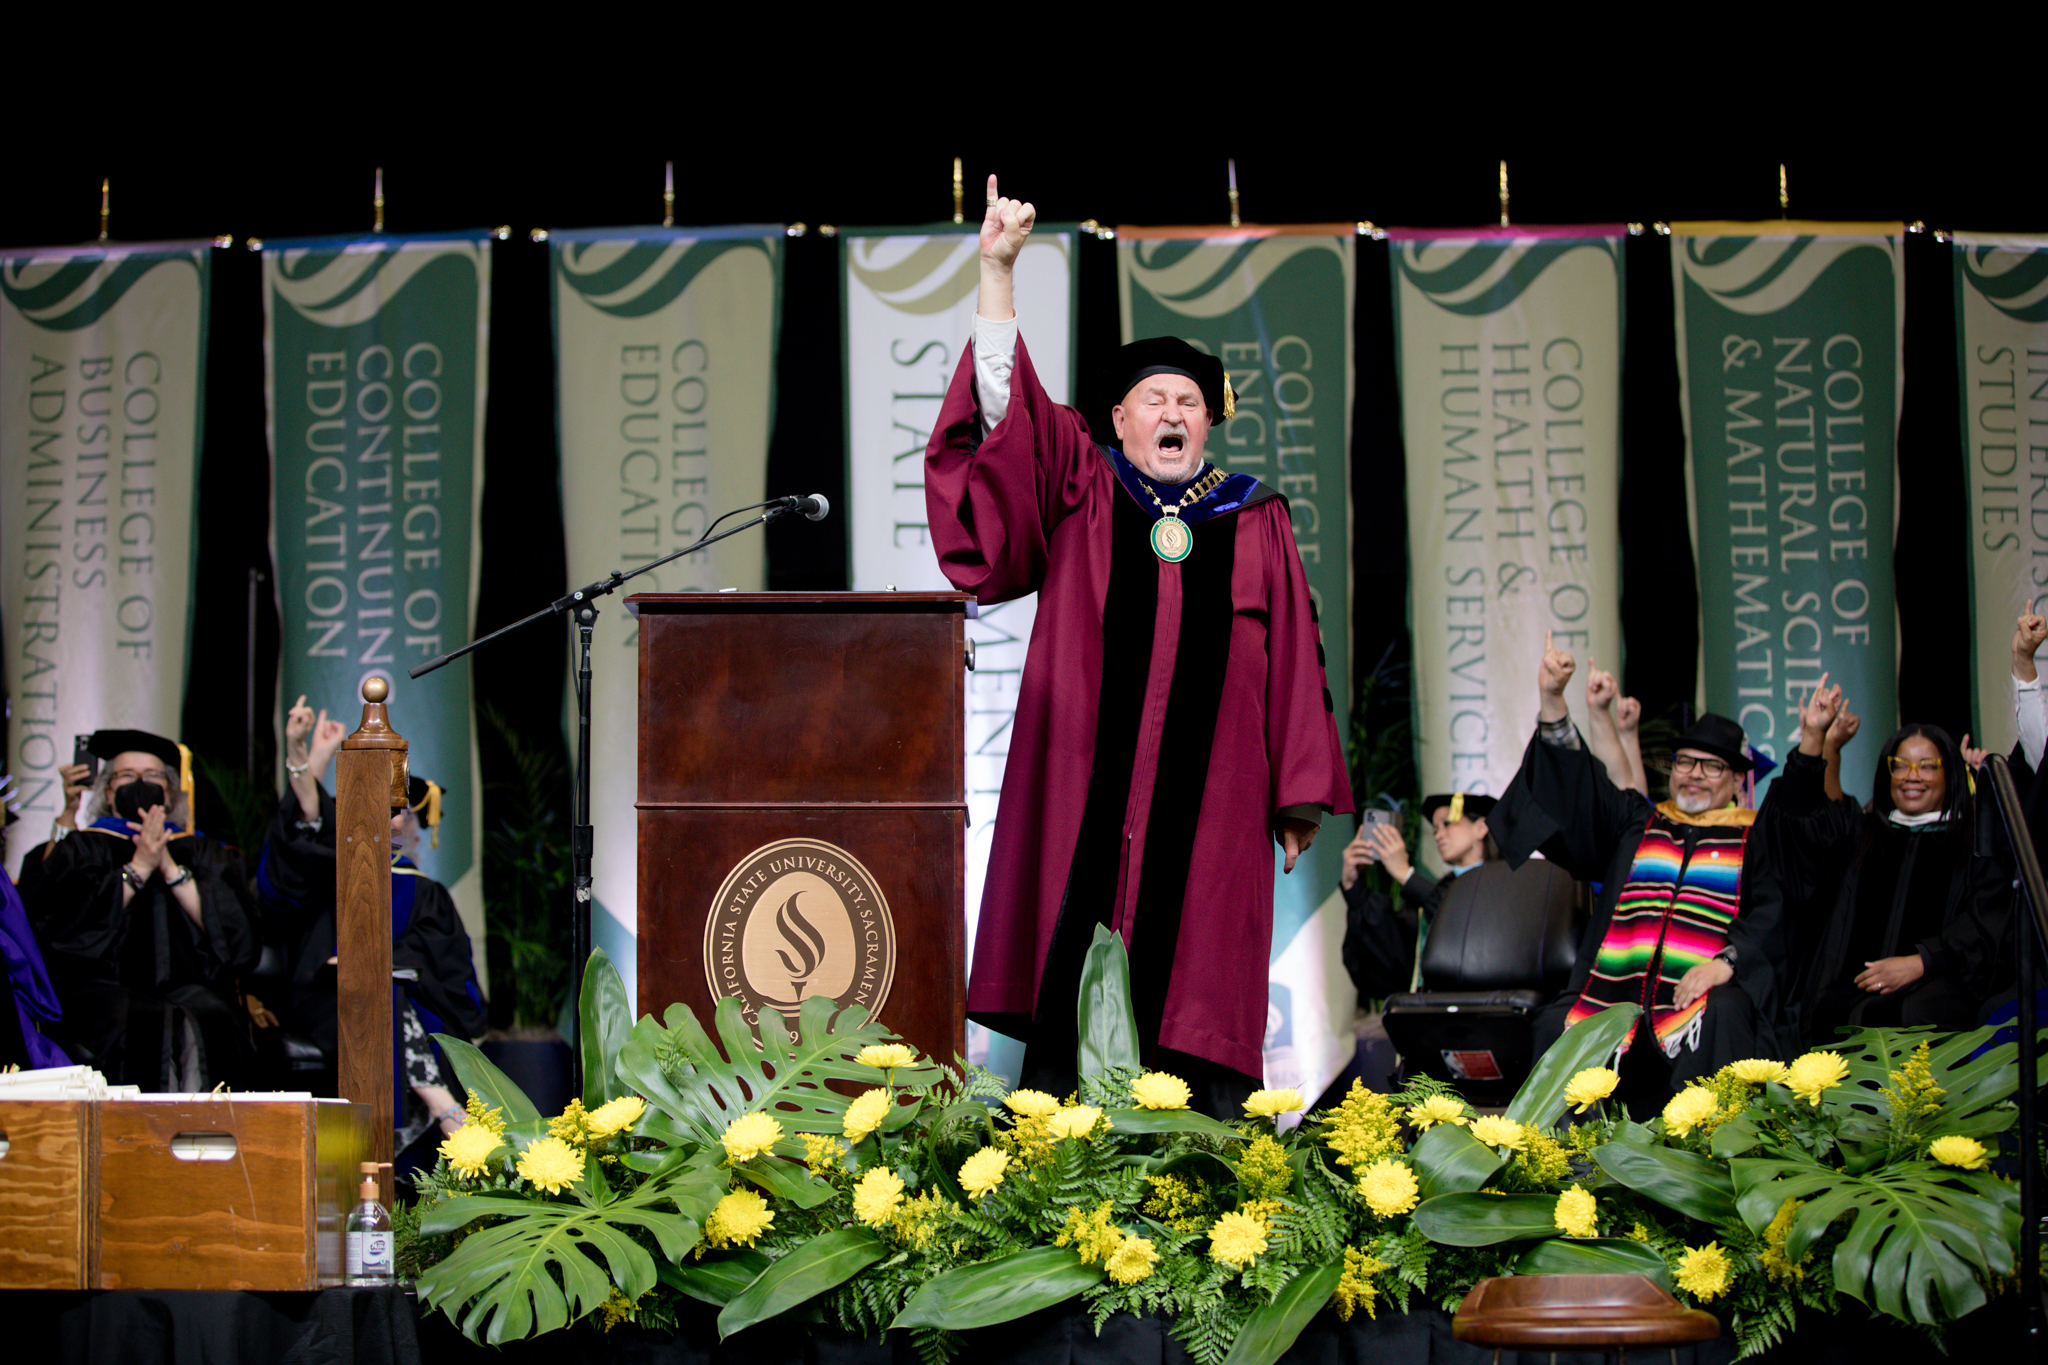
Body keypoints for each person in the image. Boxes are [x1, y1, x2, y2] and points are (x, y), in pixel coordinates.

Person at [925, 176, 1353, 1114]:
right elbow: (1011, 420)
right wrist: (999, 273)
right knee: (1071, 963)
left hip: (1215, 799)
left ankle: (1201, 1169)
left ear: (1210, 420)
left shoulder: (1257, 518)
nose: (1172, 412)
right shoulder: (1086, 484)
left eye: (1190, 402)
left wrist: (1297, 795)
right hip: (1088, 783)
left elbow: (1293, 662)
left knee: (1197, 976)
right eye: (1153, 398)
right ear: (1118, 420)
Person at [1489, 636, 1791, 1105]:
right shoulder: (1639, 821)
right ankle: (1559, 1162)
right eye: (1685, 762)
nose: (1693, 774)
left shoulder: (1755, 839)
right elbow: (1581, 791)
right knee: (1554, 1022)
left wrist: (1726, 963)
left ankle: (1704, 1154)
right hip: (1616, 991)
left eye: (1712, 768)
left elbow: (1773, 916)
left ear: (1736, 781)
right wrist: (1553, 701)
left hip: (1694, 1001)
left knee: (1727, 1012)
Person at [256, 696, 484, 1150]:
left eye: (398, 810)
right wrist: (305, 760)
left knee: (388, 990)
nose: (390, 819)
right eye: (377, 809)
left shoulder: (425, 892)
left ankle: (413, 1142)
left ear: (413, 826)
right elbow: (296, 851)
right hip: (328, 999)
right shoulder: (326, 867)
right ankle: (442, 1109)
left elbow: (448, 970)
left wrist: (385, 962)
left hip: (408, 998)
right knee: (374, 993)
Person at [1766, 684, 2012, 1040]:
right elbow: (1801, 824)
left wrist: (1922, 961)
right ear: (1888, 774)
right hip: (1846, 997)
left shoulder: (1973, 844)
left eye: (1928, 766)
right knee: (1822, 1014)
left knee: (1918, 1012)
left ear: (1950, 775)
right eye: (1901, 766)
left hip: (1932, 995)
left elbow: (1987, 922)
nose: (1913, 776)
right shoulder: (1862, 834)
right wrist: (1816, 736)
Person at [18, 729, 258, 1089]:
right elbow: (63, 930)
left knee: (211, 1019)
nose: (140, 784)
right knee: (144, 1021)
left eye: (152, 776)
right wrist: (139, 867)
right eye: (127, 776)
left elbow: (236, 937)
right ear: (108, 792)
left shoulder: (198, 850)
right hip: (102, 990)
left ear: (171, 791)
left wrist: (169, 867)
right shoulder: (84, 848)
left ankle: (211, 1136)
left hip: (189, 987)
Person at [1340, 794, 1498, 1000]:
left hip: (1488, 1007)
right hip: (1434, 1011)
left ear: (1481, 827)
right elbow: (1393, 956)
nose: (1439, 835)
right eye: (1435, 830)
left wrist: (1405, 874)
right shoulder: (1435, 892)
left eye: (1447, 824)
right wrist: (1354, 889)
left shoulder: (1510, 881)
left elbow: (1469, 923)